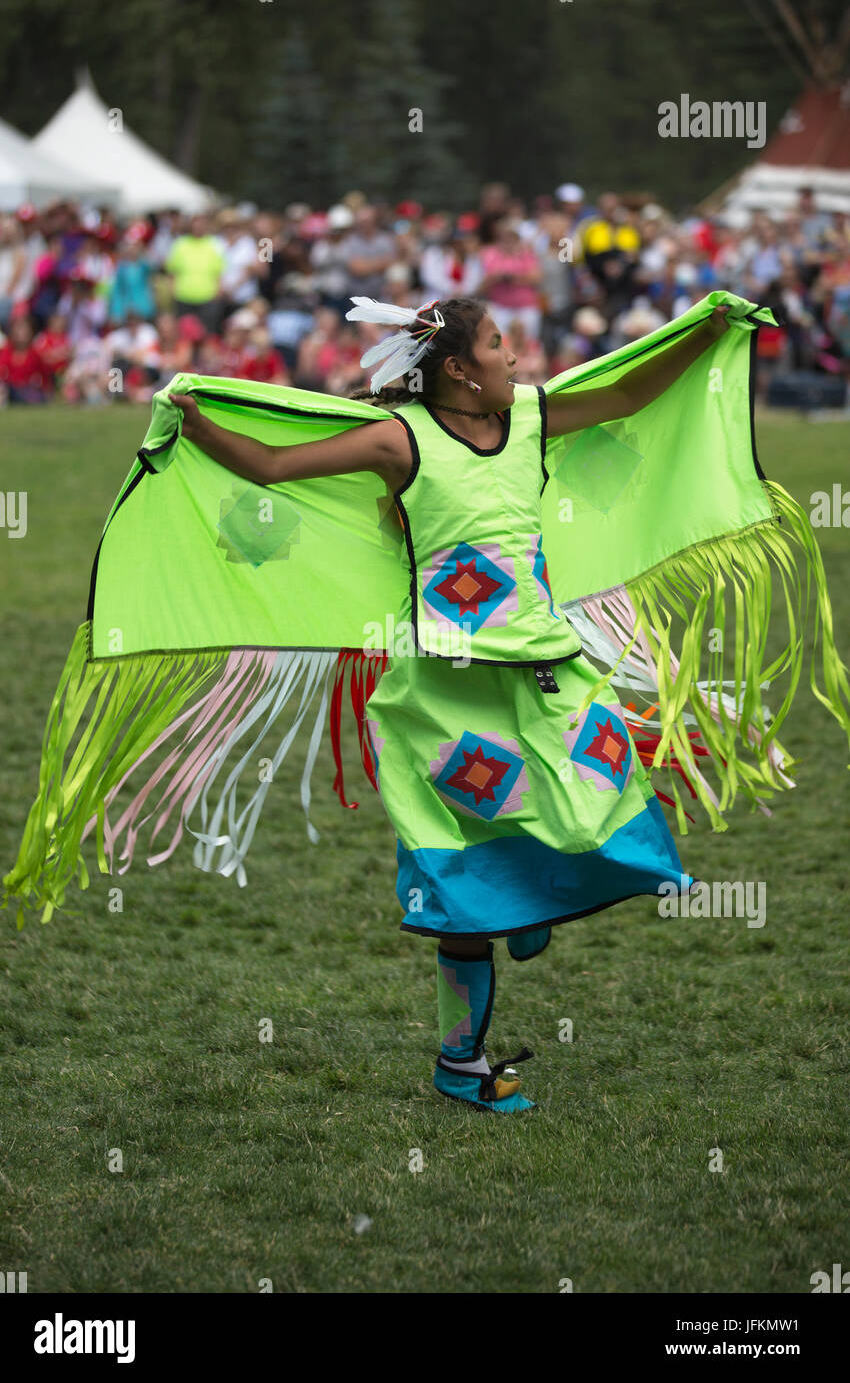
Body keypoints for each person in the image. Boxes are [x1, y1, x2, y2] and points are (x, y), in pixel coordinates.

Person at [168, 293, 732, 1114]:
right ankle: (459, 1061)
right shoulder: (402, 438)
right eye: (500, 344)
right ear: (460, 369)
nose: (516, 356)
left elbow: (625, 394)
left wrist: (701, 334)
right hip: (446, 691)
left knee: (593, 794)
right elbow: (270, 466)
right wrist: (197, 423)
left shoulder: (531, 419)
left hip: (542, 669)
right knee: (462, 883)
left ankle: (532, 888)